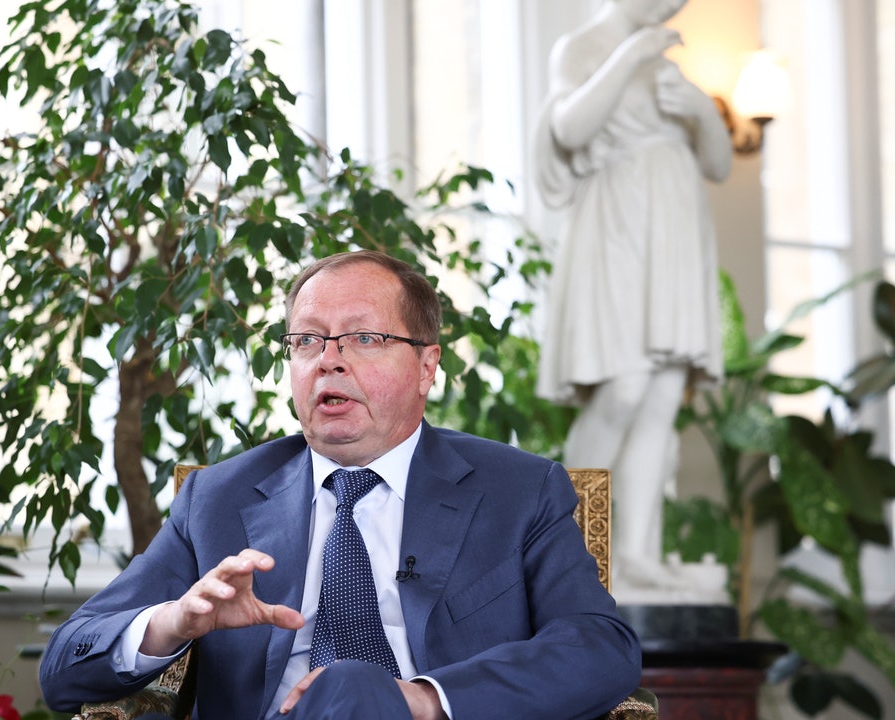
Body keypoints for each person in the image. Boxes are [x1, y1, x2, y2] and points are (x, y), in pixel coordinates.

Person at [39, 250, 641, 719]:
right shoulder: (218, 499)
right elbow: (64, 665)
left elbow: (599, 646)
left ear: (427, 366)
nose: (328, 359)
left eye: (364, 338)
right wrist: (175, 622)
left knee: (352, 683)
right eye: (307, 340)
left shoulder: (519, 490)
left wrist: (423, 700)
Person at [533, 0, 731, 596]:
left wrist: (702, 111)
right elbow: (568, 128)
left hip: (675, 229)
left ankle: (639, 552)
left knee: (663, 394)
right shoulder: (583, 48)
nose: (670, 7)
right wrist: (628, 57)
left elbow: (720, 164)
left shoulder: (669, 61)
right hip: (618, 222)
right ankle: (579, 545)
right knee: (623, 387)